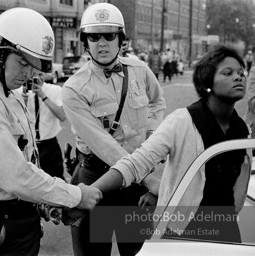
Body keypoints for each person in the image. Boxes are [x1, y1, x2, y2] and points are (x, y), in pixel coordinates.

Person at [0, 7, 102, 256]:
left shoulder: (5, 87)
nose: (28, 74)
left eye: (34, 67)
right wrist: (74, 195)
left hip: (15, 220)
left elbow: (25, 159)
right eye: (22, 63)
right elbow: (14, 175)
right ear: (0, 51)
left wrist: (45, 204)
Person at [91, 44, 252, 243]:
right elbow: (135, 163)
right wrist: (90, 192)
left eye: (241, 72)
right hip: (181, 233)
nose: (239, 77)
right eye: (228, 73)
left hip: (226, 231)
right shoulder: (182, 121)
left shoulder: (243, 130)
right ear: (207, 83)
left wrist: (162, 191)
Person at [61, 3, 166, 256]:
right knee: (94, 253)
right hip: (97, 180)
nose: (102, 43)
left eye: (110, 35)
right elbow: (102, 145)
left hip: (135, 185)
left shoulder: (139, 71)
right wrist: (148, 177)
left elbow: (157, 101)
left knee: (138, 251)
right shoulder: (74, 88)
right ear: (85, 43)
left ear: (122, 39)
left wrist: (152, 136)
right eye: (94, 37)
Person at [16, 71, 66, 180]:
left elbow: (62, 116)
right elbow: (14, 121)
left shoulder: (55, 90)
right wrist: (22, 101)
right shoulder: (18, 91)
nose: (37, 78)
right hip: (27, 146)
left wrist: (43, 95)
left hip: (49, 145)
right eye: (33, 75)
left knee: (56, 181)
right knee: (29, 183)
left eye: (40, 75)